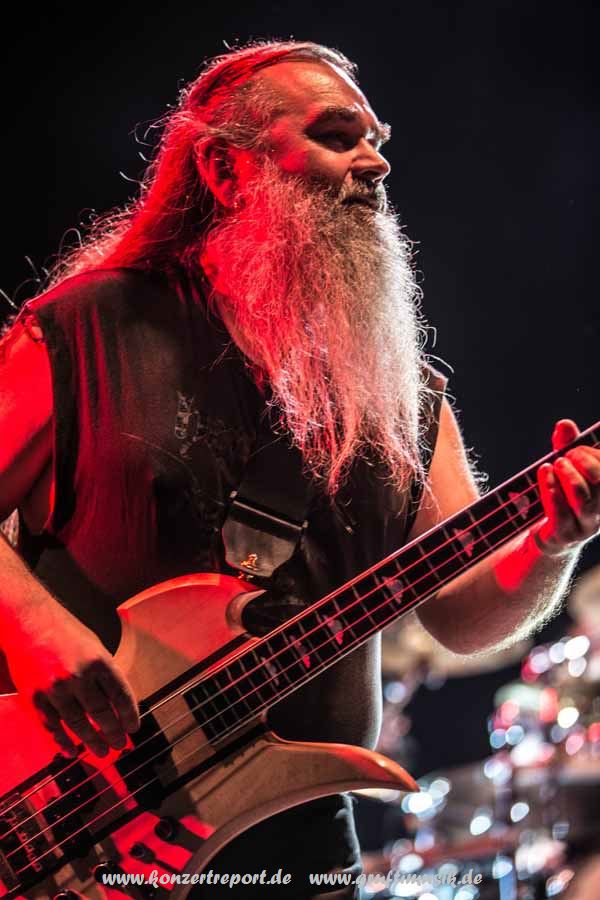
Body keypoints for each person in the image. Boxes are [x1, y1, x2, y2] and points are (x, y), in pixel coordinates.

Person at [0, 40, 598, 898]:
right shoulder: (85, 331)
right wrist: (33, 630)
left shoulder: (399, 392)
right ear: (224, 168)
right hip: (67, 820)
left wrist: (552, 541)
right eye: (336, 135)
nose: (375, 162)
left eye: (376, 140)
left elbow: (467, 619)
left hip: (298, 843)